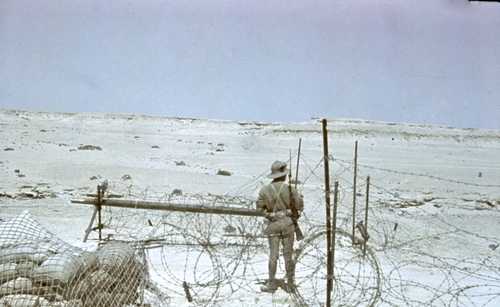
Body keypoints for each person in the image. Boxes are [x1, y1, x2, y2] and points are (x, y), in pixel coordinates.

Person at [257, 160, 304, 292]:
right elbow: (299, 207)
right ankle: (289, 284)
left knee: (273, 255)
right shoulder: (291, 189)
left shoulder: (264, 190)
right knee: (288, 255)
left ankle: (271, 284)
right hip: (288, 225)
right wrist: (290, 213)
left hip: (273, 225)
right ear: (284, 175)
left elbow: (260, 209)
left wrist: (272, 216)